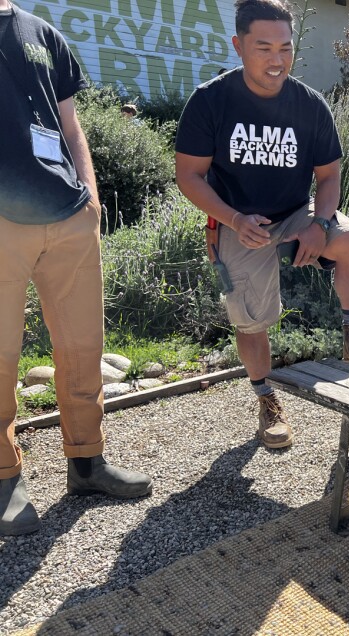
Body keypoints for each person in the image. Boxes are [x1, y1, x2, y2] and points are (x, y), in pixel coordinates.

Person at [175, 0, 349, 450]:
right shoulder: (210, 101)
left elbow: (329, 176)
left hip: (296, 211)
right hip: (237, 221)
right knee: (251, 322)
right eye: (263, 48)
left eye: (285, 48)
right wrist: (233, 218)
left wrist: (320, 222)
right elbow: (189, 176)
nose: (277, 60)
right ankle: (267, 400)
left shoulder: (310, 106)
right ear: (238, 46)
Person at [0, 0, 153, 536]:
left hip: (68, 215)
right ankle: (3, 478)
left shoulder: (43, 32)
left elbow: (70, 122)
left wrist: (90, 195)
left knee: (84, 347)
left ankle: (86, 462)